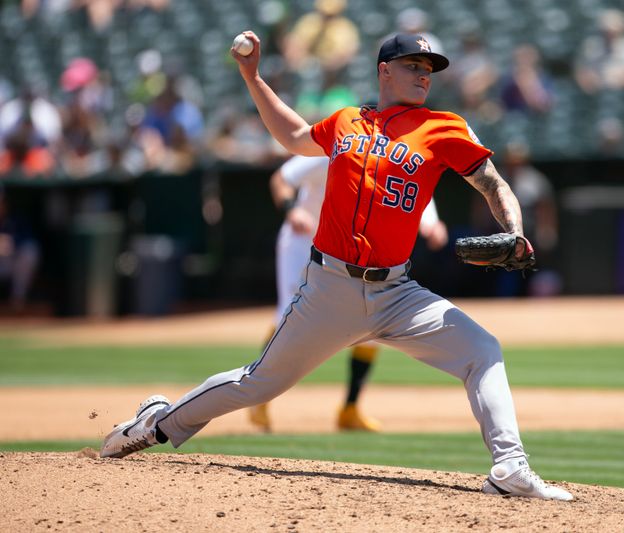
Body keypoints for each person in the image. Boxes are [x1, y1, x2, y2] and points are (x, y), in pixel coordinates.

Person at [100, 31, 574, 501]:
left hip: (397, 294)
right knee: (258, 384)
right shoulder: (347, 121)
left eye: (428, 69)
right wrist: (252, 76)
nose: (423, 75)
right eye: (413, 65)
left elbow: (493, 185)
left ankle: (510, 466)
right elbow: (294, 136)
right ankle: (155, 424)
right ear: (384, 71)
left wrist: (514, 231)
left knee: (482, 350)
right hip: (329, 287)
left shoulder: (444, 127)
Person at [248, 154, 448, 432]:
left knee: (372, 316)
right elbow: (280, 179)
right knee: (289, 313)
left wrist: (431, 221)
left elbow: (412, 186)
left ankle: (350, 409)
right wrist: (291, 209)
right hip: (303, 239)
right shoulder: (332, 149)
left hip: (346, 250)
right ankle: (258, 396)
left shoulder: (393, 153)